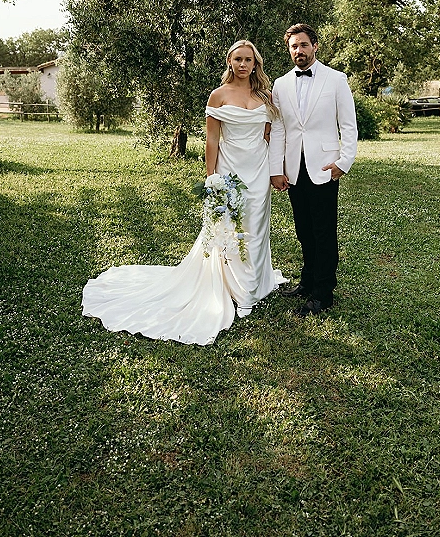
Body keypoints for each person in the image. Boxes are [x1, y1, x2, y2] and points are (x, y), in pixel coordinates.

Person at [82, 40, 287, 346]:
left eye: (249, 60)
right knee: (230, 227)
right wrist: (211, 178)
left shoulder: (266, 97)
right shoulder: (218, 96)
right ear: (229, 63)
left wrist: (274, 170)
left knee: (256, 227)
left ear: (256, 64)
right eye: (238, 59)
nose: (244, 65)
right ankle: (238, 290)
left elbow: (270, 136)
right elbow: (212, 141)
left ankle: (255, 284)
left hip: (257, 172)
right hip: (229, 171)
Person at [269, 23, 358, 316]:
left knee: (323, 232)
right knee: (303, 230)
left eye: (304, 45)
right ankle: (307, 281)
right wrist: (276, 168)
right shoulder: (280, 84)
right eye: (294, 46)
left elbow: (348, 125)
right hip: (294, 169)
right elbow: (280, 129)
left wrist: (343, 162)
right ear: (289, 50)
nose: (299, 51)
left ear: (315, 46)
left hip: (324, 168)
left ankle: (323, 292)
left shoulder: (336, 79)